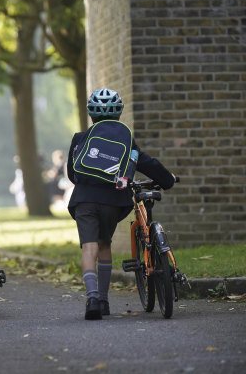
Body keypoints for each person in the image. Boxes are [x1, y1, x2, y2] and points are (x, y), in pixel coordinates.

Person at [66, 88, 176, 320]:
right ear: (119, 115)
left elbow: (71, 173)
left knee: (89, 248)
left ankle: (93, 298)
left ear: (91, 115)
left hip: (84, 198)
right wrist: (167, 180)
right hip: (113, 200)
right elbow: (147, 162)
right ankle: (104, 302)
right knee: (104, 244)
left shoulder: (80, 138)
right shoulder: (126, 139)